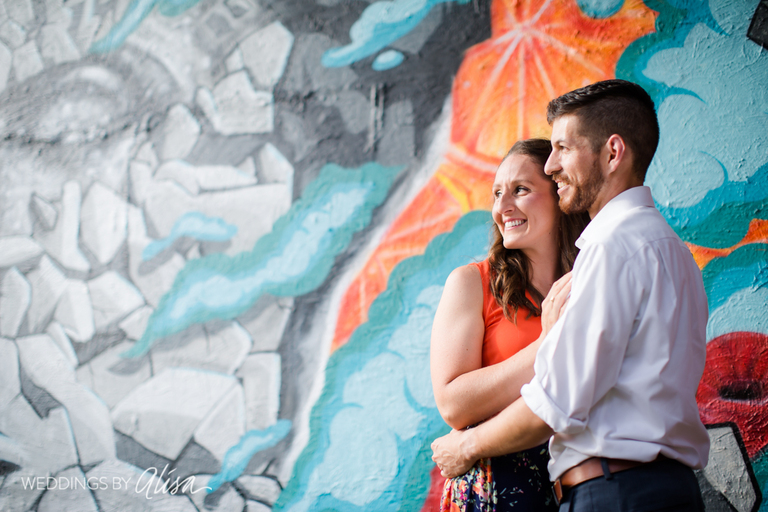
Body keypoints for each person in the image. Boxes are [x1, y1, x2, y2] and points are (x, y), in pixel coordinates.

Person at [431, 79, 710, 512]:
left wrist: (466, 447)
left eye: (564, 148)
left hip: (615, 491)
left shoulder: (610, 250)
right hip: (657, 487)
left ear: (613, 153)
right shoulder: (669, 250)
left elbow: (555, 404)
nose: (553, 166)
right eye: (498, 192)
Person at [430, 139, 589, 511]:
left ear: (559, 196)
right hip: (497, 490)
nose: (502, 207)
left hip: (580, 484)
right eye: (497, 193)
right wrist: (549, 344)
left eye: (521, 190)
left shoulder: (587, 283)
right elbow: (453, 405)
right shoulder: (472, 283)